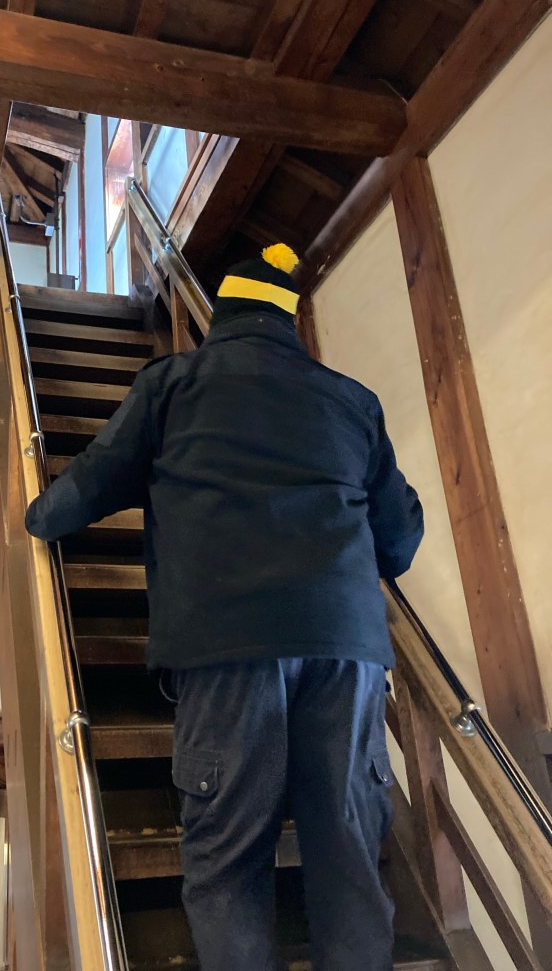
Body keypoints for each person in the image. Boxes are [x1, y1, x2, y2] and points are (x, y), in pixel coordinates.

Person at [25, 244, 423, 971]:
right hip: (346, 650)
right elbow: (399, 540)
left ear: (219, 319)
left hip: (224, 649)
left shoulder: (173, 384)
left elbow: (89, 485)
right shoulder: (350, 400)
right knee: (349, 856)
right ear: (291, 322)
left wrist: (38, 513)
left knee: (229, 861)